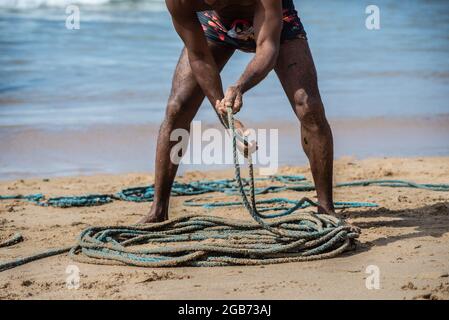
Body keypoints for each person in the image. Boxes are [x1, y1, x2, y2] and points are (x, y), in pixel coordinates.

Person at [139, 0, 335, 223]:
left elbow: (267, 48)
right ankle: (158, 211)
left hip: (275, 22)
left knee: (308, 105)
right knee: (177, 107)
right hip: (216, 25)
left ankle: (326, 209)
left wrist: (239, 86)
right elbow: (199, 57)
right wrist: (225, 114)